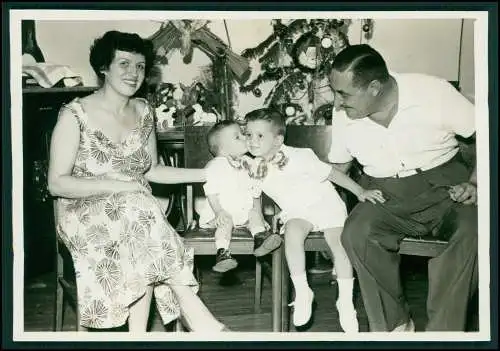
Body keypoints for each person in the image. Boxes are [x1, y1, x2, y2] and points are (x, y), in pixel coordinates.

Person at [47, 30, 229, 332]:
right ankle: (197, 316)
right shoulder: (74, 114)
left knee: (137, 213)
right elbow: (57, 184)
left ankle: (140, 335)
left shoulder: (144, 110)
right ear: (104, 67)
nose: (134, 73)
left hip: (133, 215)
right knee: (139, 206)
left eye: (141, 66)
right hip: (82, 212)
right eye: (124, 64)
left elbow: (151, 170)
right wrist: (123, 186)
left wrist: (208, 173)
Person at [327, 44, 478, 332]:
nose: (336, 103)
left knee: (477, 231)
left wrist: (476, 182)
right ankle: (394, 329)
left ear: (374, 87)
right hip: (384, 193)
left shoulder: (434, 92)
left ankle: (443, 333)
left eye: (343, 94)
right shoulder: (344, 114)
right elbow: (338, 169)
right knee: (357, 233)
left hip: (448, 186)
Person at [244, 108, 386, 331]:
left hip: (325, 205)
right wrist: (258, 220)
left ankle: (346, 302)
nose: (252, 141)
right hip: (298, 211)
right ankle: (303, 292)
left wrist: (359, 192)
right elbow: (253, 198)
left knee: (339, 245)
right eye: (248, 134)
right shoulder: (254, 168)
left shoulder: (300, 155)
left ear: (278, 140)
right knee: (292, 233)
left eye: (259, 135)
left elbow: (332, 173)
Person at [194, 120, 283, 273]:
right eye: (238, 137)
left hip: (242, 213)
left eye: (243, 134)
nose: (244, 138)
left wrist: (259, 216)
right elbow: (211, 191)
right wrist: (218, 211)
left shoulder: (248, 163)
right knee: (226, 222)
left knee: (254, 214)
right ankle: (222, 252)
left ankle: (259, 238)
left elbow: (256, 191)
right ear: (222, 148)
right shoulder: (217, 164)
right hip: (220, 213)